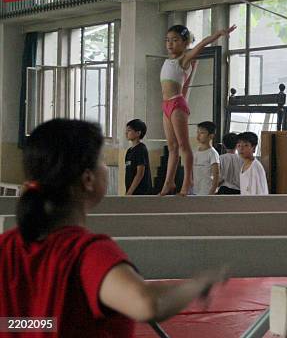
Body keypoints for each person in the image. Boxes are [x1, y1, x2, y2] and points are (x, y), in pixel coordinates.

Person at [0, 119, 225, 338]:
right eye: (102, 162)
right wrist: (196, 286)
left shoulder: (6, 245)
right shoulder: (87, 253)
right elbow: (148, 303)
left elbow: (28, 321)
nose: (105, 168)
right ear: (88, 179)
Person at [159, 24, 236, 196]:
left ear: (185, 43)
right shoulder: (167, 60)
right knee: (171, 147)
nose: (170, 44)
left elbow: (201, 44)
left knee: (183, 146)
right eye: (168, 40)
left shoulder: (184, 59)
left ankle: (187, 182)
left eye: (175, 40)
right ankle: (168, 183)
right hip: (166, 105)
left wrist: (218, 34)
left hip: (176, 103)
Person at [124, 119, 152, 195]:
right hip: (131, 191)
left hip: (141, 192)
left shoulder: (141, 149)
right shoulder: (129, 151)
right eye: (126, 130)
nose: (126, 133)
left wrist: (130, 192)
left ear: (138, 133)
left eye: (129, 130)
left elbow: (140, 173)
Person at [194, 121, 221, 195]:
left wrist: (212, 192)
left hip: (207, 191)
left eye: (202, 133)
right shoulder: (195, 151)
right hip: (195, 190)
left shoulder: (213, 153)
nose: (198, 135)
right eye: (197, 132)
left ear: (211, 136)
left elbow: (216, 175)